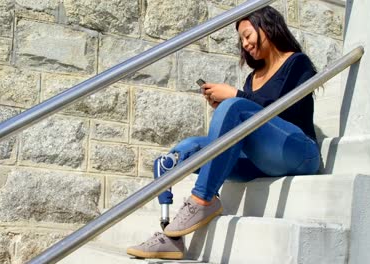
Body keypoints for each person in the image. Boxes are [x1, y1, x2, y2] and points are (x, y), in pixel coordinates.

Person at [126, 6, 320, 260]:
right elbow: (251, 112)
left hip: (298, 152)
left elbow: (287, 113)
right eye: (241, 40)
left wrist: (235, 99)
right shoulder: (253, 78)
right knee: (187, 149)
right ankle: (171, 237)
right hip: (260, 163)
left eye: (248, 35)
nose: (245, 44)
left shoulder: (296, 62)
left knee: (234, 106)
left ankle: (203, 199)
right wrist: (232, 105)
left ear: (268, 26)